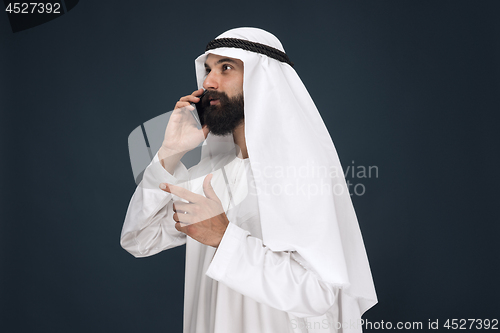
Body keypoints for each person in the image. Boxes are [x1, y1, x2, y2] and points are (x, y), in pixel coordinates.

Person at [121, 27, 377, 333]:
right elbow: (139, 239)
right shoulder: (210, 171)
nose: (208, 82)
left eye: (226, 68)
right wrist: (170, 153)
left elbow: (320, 293)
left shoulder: (300, 171)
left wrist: (224, 238)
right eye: (208, 69)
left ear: (261, 79)